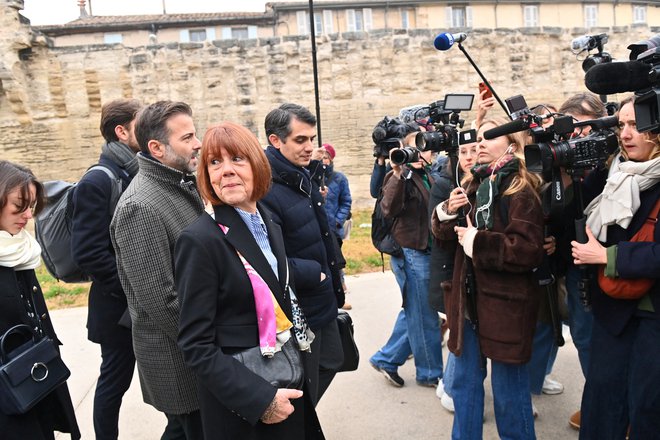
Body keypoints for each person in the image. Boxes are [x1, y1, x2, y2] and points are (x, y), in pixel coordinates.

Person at [175, 121, 324, 439]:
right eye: (215, 162)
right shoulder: (200, 239)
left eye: (237, 159)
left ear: (257, 165)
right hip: (247, 409)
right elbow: (196, 346)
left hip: (289, 380)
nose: (225, 170)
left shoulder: (267, 222)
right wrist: (260, 401)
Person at [433, 117, 544, 439]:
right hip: (466, 304)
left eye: (489, 137)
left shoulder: (521, 189)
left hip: (506, 307)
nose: (479, 143)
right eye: (478, 138)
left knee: (510, 393)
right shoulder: (472, 184)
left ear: (512, 144)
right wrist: (445, 214)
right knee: (464, 387)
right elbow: (445, 240)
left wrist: (476, 241)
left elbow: (526, 250)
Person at [110, 101, 204, 439]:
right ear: (157, 148)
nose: (197, 143)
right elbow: (162, 301)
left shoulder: (176, 184)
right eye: (188, 137)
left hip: (195, 351)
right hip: (182, 361)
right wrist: (211, 344)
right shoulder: (141, 205)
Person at [572, 96, 660, 439]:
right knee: (601, 405)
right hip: (613, 311)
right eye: (621, 124)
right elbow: (573, 218)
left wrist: (608, 258)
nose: (625, 133)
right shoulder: (614, 174)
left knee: (648, 410)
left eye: (636, 125)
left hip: (653, 317)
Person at [261, 103, 345, 406]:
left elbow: (321, 231)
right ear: (275, 140)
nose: (310, 147)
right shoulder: (266, 187)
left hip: (323, 295)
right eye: (300, 140)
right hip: (300, 304)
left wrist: (336, 270)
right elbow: (266, 260)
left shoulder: (301, 173)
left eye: (312, 139)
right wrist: (316, 274)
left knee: (333, 360)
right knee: (302, 384)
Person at [70, 98, 141, 440]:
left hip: (136, 302)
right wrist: (130, 287)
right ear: (122, 130)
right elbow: (88, 252)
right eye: (139, 125)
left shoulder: (132, 172)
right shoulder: (99, 180)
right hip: (116, 308)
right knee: (114, 381)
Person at [0, 160, 81, 440]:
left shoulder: (18, 249)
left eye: (31, 206)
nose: (27, 216)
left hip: (34, 377)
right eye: (18, 207)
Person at [369, 117, 444, 388]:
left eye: (425, 144)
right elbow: (388, 206)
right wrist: (399, 171)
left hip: (426, 250)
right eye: (417, 145)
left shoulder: (429, 172)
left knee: (417, 312)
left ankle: (387, 358)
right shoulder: (399, 175)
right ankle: (430, 373)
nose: (424, 150)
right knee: (424, 316)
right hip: (411, 252)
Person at [429, 136, 478, 412]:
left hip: (475, 268)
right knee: (459, 329)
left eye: (474, 149)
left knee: (465, 332)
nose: (469, 156)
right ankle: (449, 385)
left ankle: (452, 384)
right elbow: (435, 231)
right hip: (450, 267)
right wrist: (449, 209)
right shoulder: (446, 185)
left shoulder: (484, 181)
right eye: (463, 151)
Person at [320, 143, 352, 301]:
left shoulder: (339, 179)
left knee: (336, 257)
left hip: (333, 227)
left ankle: (341, 286)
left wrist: (338, 221)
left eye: (326, 157)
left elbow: (346, 202)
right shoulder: (312, 176)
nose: (323, 160)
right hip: (318, 226)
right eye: (321, 157)